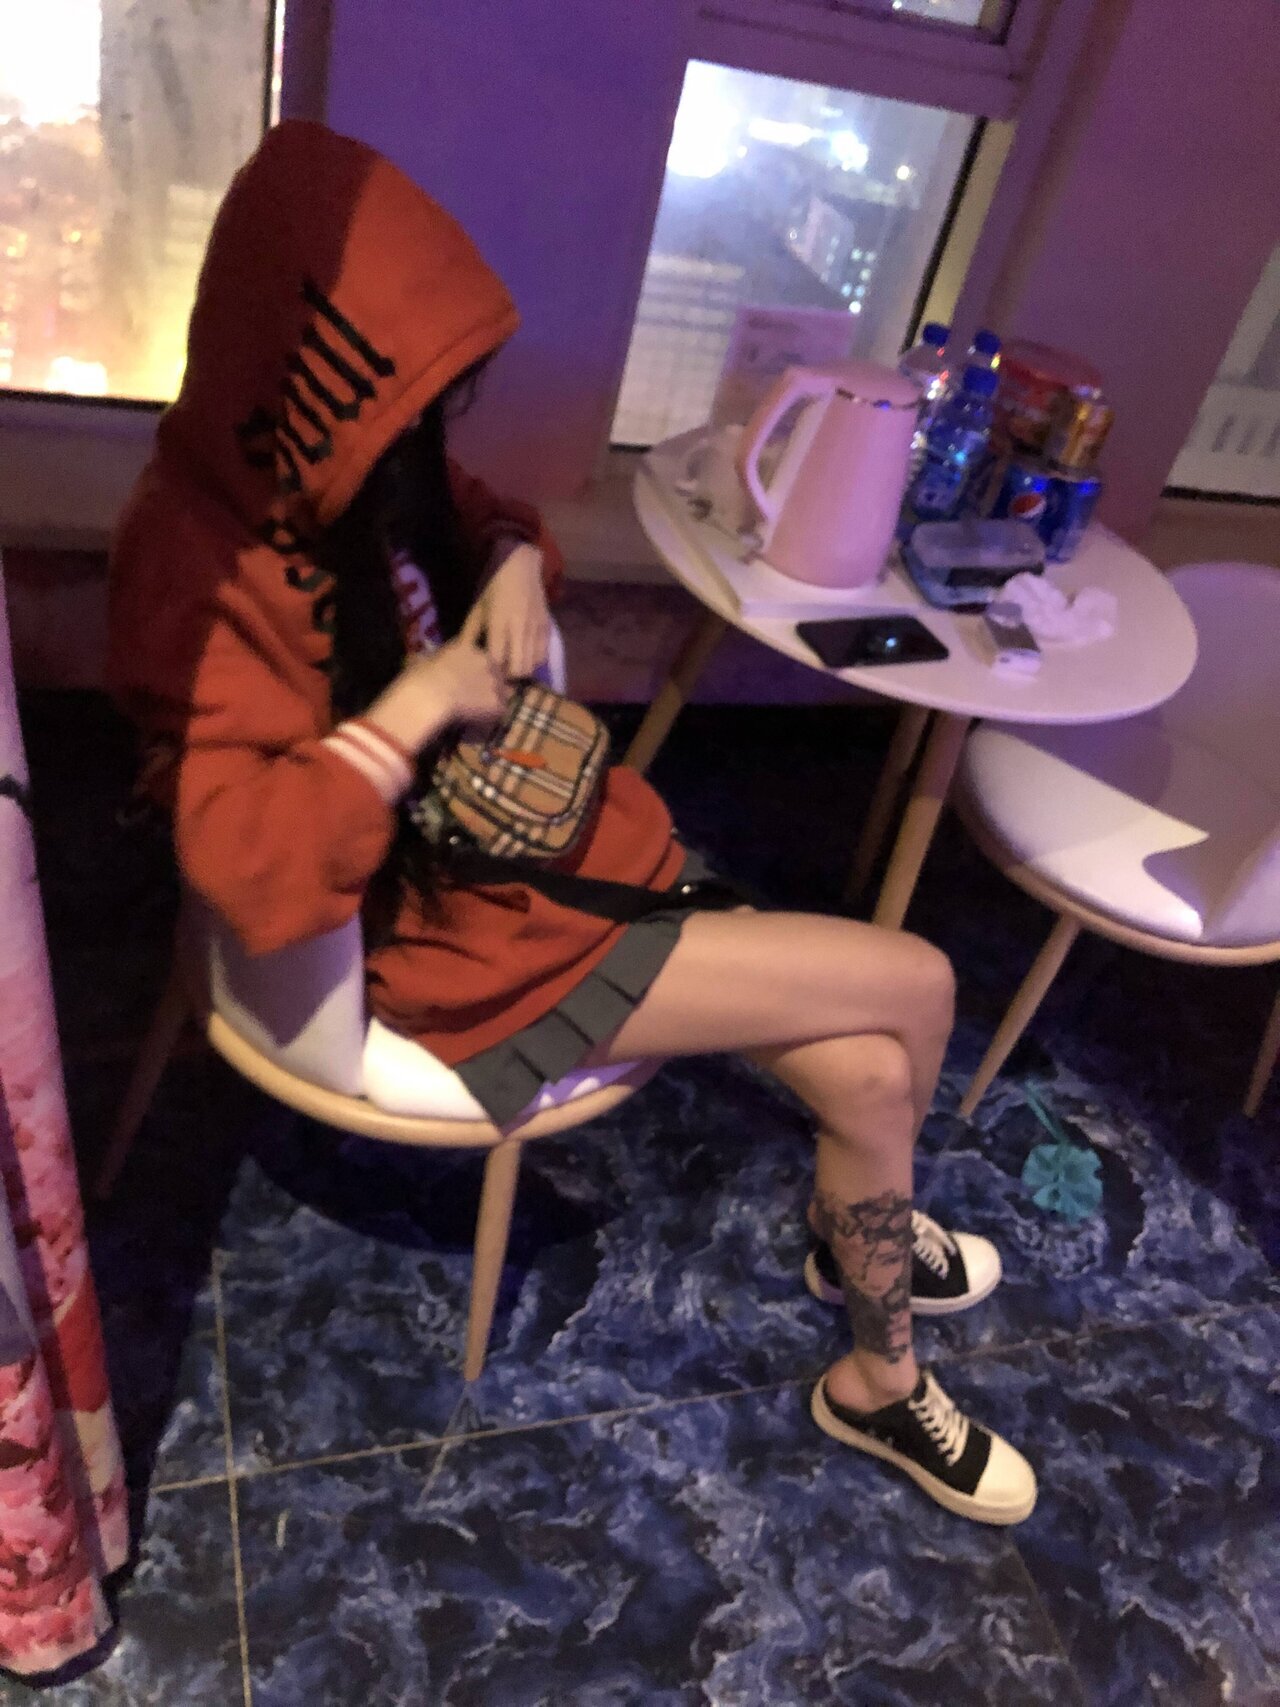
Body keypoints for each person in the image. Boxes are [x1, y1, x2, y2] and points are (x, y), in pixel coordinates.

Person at [107, 121, 1036, 1526]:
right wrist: (410, 710)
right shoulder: (199, 558)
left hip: (511, 872)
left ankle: (870, 1292)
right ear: (309, 377)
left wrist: (510, 562)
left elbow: (490, 513)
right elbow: (253, 868)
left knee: (864, 1077)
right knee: (914, 984)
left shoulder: (365, 467)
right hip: (449, 945)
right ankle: (880, 1356)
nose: (425, 436)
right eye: (405, 404)